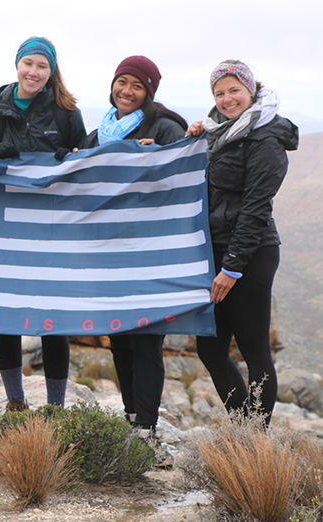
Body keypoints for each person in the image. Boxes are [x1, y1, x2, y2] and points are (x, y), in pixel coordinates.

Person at [0, 36, 86, 411]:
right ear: (17, 64)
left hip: (51, 229)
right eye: (29, 64)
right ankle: (15, 402)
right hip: (6, 227)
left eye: (42, 66)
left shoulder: (66, 111)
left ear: (51, 71)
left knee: (52, 318)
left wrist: (64, 158)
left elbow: (82, 165)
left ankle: (55, 407)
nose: (34, 72)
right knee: (6, 316)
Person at [80, 56, 187, 438]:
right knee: (119, 340)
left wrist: (157, 157)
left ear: (149, 93)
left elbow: (186, 179)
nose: (127, 91)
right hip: (108, 257)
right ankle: (130, 418)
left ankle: (147, 427)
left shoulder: (166, 128)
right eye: (122, 82)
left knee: (145, 341)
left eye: (137, 86)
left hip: (149, 256)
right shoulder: (98, 135)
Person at [187, 60, 298, 425]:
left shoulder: (266, 137)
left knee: (253, 350)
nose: (227, 98)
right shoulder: (218, 132)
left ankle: (254, 437)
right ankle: (244, 428)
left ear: (251, 90)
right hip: (216, 247)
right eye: (219, 93)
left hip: (251, 252)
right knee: (211, 348)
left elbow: (255, 208)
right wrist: (192, 139)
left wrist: (231, 267)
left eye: (234, 90)